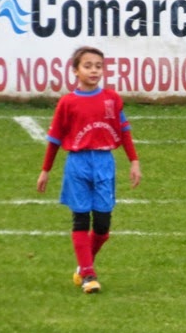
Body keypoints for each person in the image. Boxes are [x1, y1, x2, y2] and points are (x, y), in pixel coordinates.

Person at [37, 46, 142, 294]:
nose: (94, 70)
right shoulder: (67, 102)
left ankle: (84, 266)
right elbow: (54, 138)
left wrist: (134, 161)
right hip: (77, 164)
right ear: (75, 71)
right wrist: (45, 170)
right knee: (81, 218)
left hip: (105, 163)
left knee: (103, 225)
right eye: (87, 65)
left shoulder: (112, 99)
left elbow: (124, 130)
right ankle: (89, 275)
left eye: (98, 66)